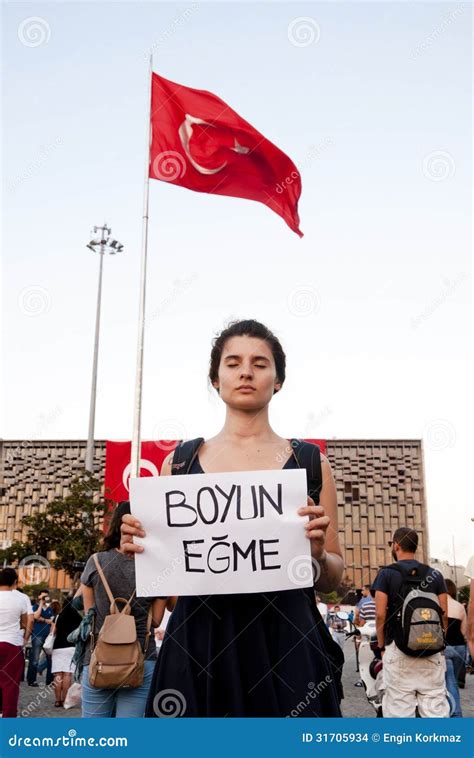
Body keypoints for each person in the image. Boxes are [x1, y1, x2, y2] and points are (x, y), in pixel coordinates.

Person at [121, 319, 345, 717]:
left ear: (278, 381)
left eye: (260, 363)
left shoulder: (311, 463)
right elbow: (169, 587)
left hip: (288, 641)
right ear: (215, 379)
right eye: (233, 362)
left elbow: (332, 579)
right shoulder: (180, 463)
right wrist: (142, 549)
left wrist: (315, 553)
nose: (246, 371)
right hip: (199, 643)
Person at [80, 502, 168, 718]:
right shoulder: (156, 567)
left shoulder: (95, 562)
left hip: (98, 658)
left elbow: (89, 614)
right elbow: (156, 621)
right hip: (140, 659)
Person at [372, 527, 449, 718]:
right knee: (436, 713)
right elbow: (444, 613)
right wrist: (439, 642)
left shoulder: (386, 574)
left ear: (396, 545)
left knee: (399, 714)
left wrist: (381, 646)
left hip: (398, 650)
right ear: (415, 547)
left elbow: (380, 614)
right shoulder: (435, 575)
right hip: (431, 650)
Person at [0, 568, 33, 717]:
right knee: (10, 686)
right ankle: (8, 718)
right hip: (12, 644)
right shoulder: (21, 598)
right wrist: (24, 639)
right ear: (15, 581)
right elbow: (26, 623)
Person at [51, 595, 82, 707]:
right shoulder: (78, 616)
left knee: (58, 675)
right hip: (71, 647)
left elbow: (53, 632)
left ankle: (57, 700)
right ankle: (65, 700)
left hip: (58, 647)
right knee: (68, 675)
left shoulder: (58, 616)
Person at [443, 579, 467, 717]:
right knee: (453, 682)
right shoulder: (459, 606)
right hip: (460, 648)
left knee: (448, 683)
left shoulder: (436, 603)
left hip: (446, 647)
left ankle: (455, 714)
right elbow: (464, 631)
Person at [27, 590, 54, 687]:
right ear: (39, 597)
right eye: (43, 596)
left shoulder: (50, 608)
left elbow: (53, 620)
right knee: (35, 659)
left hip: (48, 637)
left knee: (50, 659)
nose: (44, 598)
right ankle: (31, 680)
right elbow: (35, 616)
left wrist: (43, 620)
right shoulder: (34, 606)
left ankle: (50, 681)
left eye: (46, 596)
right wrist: (41, 604)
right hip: (37, 635)